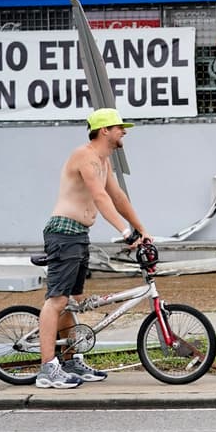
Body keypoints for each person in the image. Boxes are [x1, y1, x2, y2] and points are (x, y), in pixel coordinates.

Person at [35, 108, 152, 389]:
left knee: (73, 300)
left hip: (79, 234)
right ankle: (47, 369)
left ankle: (70, 358)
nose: (124, 132)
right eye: (119, 127)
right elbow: (99, 197)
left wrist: (143, 229)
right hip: (63, 232)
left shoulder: (104, 161)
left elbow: (118, 197)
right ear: (104, 131)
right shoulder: (84, 155)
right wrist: (125, 233)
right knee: (57, 300)